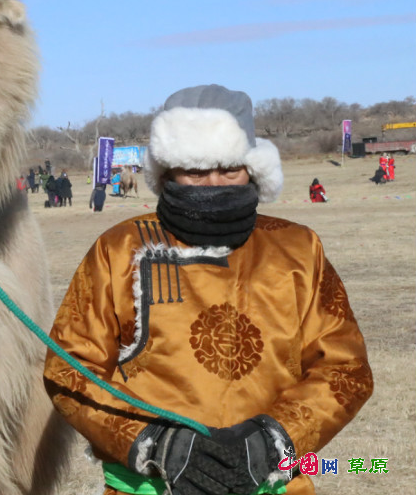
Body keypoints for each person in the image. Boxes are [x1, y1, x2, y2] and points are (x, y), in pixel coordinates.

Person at [43, 85, 372, 495]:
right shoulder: (119, 248)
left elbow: (346, 368)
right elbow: (69, 368)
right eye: (196, 170)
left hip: (273, 481)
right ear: (167, 173)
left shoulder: (298, 248)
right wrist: (157, 444)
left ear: (252, 169)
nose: (214, 183)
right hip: (150, 485)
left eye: (229, 168)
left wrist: (271, 443)